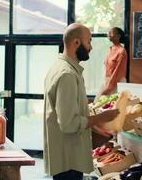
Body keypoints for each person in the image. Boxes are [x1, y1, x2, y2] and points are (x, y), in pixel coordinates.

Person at [44, 23, 119, 180]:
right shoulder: (67, 75)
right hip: (68, 159)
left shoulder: (61, 67)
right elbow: (69, 123)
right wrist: (104, 117)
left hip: (65, 155)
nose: (90, 47)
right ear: (76, 43)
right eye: (89, 42)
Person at [96, 27, 128, 100]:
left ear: (118, 36)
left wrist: (109, 87)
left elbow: (118, 72)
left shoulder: (121, 51)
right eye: (108, 32)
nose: (109, 34)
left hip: (117, 82)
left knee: (114, 107)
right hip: (108, 81)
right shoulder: (111, 49)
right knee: (99, 104)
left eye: (111, 32)